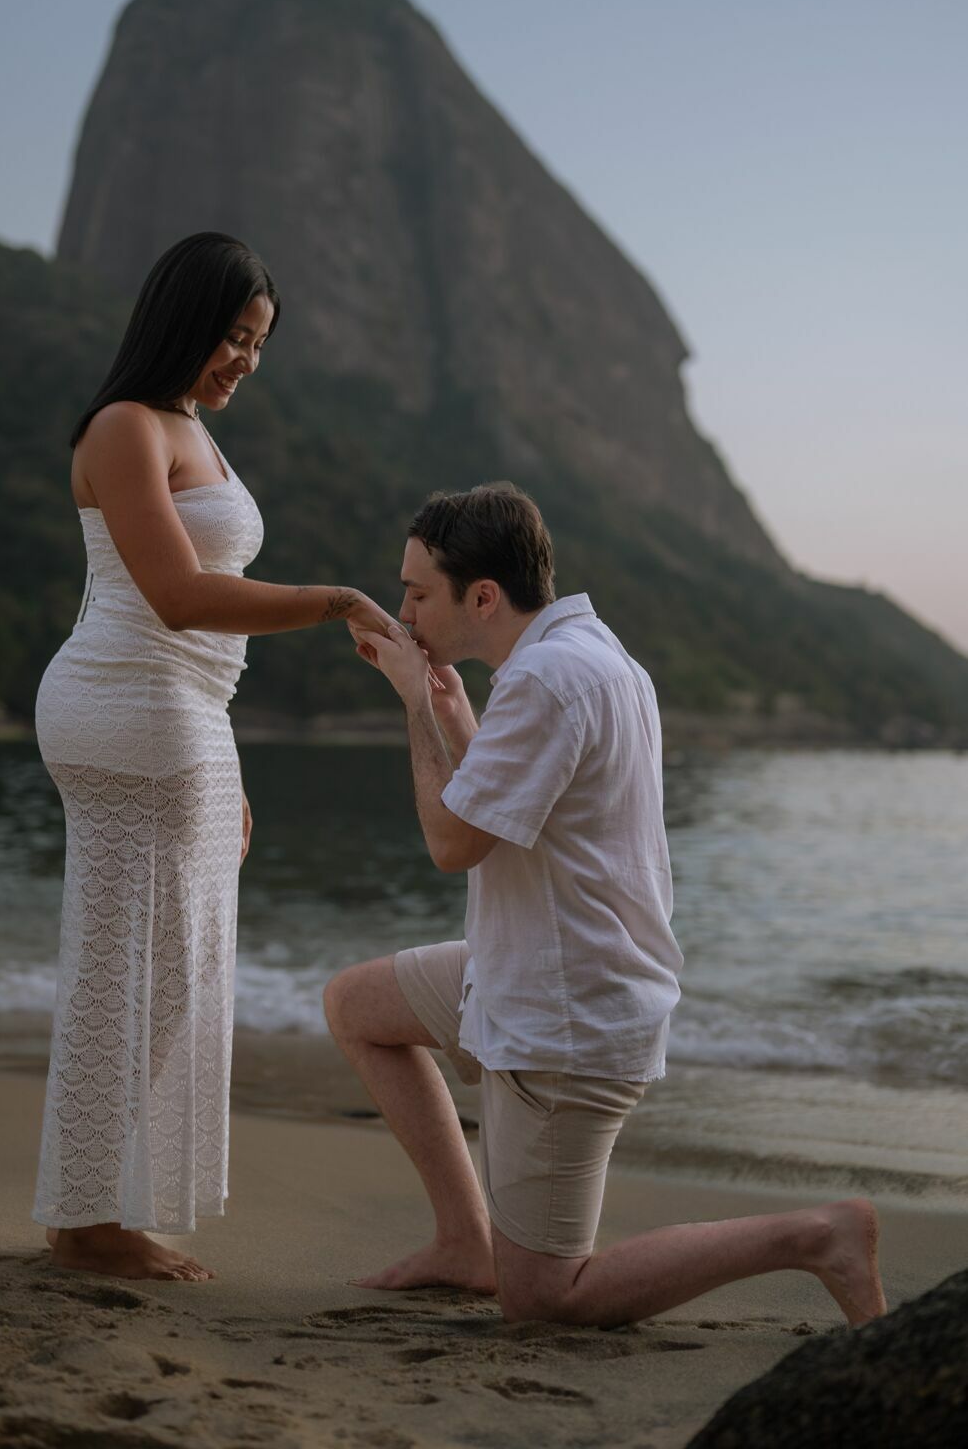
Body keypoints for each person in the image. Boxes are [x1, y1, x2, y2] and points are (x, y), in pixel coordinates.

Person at [325, 483, 886, 1327]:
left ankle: (815, 1234)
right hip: (538, 961)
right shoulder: (587, 654)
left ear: (482, 597)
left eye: (417, 592)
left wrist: (413, 701)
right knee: (357, 1004)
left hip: (567, 1011)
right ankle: (462, 1241)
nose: (403, 608)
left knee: (547, 1302)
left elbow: (452, 844)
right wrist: (452, 709)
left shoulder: (549, 681)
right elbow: (511, 808)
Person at [34, 232, 398, 1282]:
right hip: (126, 701)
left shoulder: (188, 427)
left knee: (165, 963)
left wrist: (227, 766)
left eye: (257, 342)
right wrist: (334, 599)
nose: (244, 358)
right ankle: (88, 1221)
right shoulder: (123, 426)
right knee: (137, 963)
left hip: (177, 710)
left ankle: (87, 1207)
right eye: (232, 336)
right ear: (182, 322)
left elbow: (203, 644)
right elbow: (179, 597)